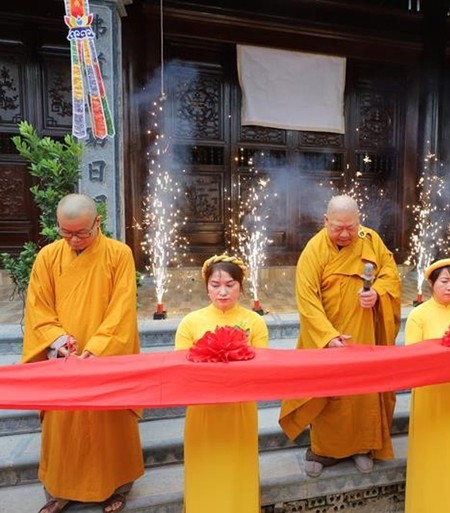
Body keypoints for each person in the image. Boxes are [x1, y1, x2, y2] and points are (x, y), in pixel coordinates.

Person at [22, 193, 144, 513]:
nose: (74, 240)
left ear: (98, 223)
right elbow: (38, 308)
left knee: (108, 425)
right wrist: (57, 341)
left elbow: (122, 309)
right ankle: (60, 490)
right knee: (65, 428)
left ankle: (116, 487)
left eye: (81, 233)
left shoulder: (119, 255)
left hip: (104, 358)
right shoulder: (48, 257)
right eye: (66, 232)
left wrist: (97, 348)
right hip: (62, 360)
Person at [279, 195, 401, 477]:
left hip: (365, 336)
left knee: (362, 393)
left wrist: (377, 293)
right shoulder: (314, 250)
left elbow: (390, 276)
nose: (345, 234)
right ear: (325, 221)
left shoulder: (371, 240)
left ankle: (362, 447)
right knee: (330, 396)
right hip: (329, 340)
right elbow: (306, 300)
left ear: (359, 220)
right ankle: (323, 451)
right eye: (338, 228)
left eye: (351, 227)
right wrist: (327, 337)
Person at [174, 255, 268, 512]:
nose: (223, 291)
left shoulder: (254, 322)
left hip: (240, 409)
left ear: (241, 286)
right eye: (215, 284)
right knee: (205, 468)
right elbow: (181, 370)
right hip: (203, 409)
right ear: (206, 286)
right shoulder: (190, 323)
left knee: (239, 468)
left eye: (230, 284)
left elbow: (261, 369)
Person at [404, 258, 450, 513]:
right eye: (444, 281)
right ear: (431, 283)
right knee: (429, 451)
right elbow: (412, 357)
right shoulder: (418, 315)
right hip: (429, 392)